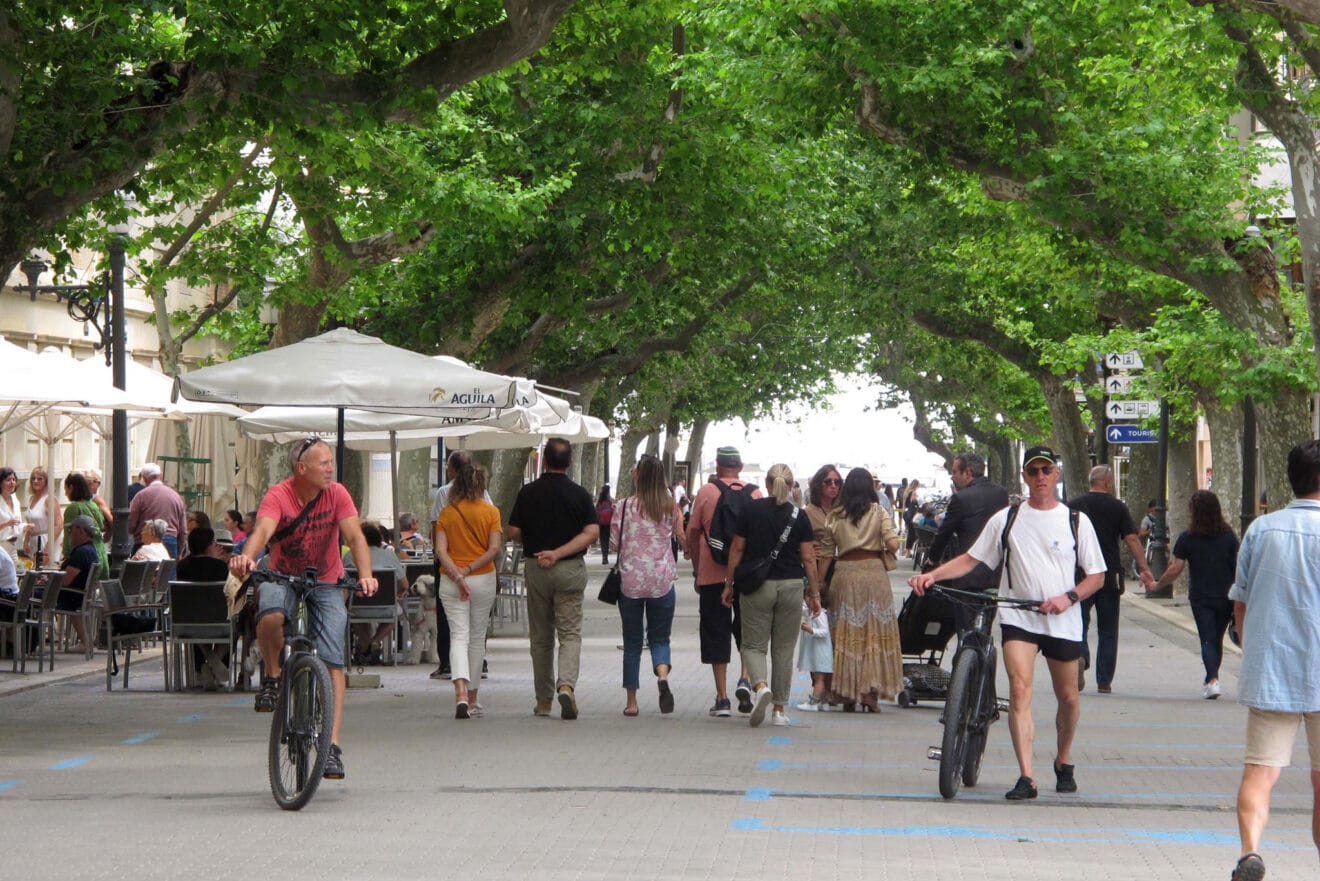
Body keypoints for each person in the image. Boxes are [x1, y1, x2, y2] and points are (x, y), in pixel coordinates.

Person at [910, 445, 1106, 800]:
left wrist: (1068, 598)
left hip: (1063, 620)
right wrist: (933, 576)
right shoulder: (1008, 519)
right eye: (1034, 472)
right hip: (1019, 615)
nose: (1041, 477)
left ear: (1057, 474)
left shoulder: (1076, 521)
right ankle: (1027, 776)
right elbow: (971, 559)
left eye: (1047, 470)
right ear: (1024, 477)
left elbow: (1097, 576)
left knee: (1069, 698)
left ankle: (1063, 759)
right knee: (1019, 689)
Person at [229, 437, 378, 781]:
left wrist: (366, 575)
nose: (330, 468)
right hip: (282, 574)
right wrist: (247, 558)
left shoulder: (337, 494)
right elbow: (263, 530)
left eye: (331, 462)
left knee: (332, 659)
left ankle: (332, 748)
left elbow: (355, 538)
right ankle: (272, 675)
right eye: (323, 463)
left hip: (326, 579)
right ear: (301, 468)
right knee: (270, 615)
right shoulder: (278, 495)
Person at [1227, 439, 1320, 881]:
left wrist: (1254, 649)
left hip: (1271, 670)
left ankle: (1251, 852)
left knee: (1260, 772)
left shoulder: (1261, 530)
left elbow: (1240, 603)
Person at [507, 437, 599, 720]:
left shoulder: (528, 493)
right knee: (570, 633)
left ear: (544, 460)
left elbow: (512, 531)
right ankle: (567, 685)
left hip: (536, 567)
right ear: (570, 462)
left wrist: (539, 545)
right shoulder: (580, 494)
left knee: (541, 636)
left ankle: (543, 699)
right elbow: (592, 532)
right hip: (569, 568)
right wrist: (559, 553)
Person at [724, 463, 821, 727]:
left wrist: (728, 583)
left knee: (753, 645)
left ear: (767, 484)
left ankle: (761, 686)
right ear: (791, 487)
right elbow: (809, 558)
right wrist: (814, 594)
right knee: (783, 649)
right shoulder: (799, 516)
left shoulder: (750, 510)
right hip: (791, 586)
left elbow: (736, 548)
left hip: (758, 586)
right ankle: (779, 710)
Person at [1067, 465, 1156, 693]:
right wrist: (1144, 569)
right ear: (1107, 483)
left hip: (1080, 574)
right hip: (1109, 574)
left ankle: (1080, 656)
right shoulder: (1118, 507)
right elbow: (1133, 541)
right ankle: (1104, 681)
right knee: (1108, 629)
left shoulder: (1074, 505)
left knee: (1078, 622)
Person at [686, 446, 761, 717]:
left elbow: (692, 533)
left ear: (717, 467)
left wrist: (697, 569)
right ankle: (744, 678)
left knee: (715, 631)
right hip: (745, 574)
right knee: (747, 630)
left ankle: (722, 698)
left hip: (711, 573)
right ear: (740, 467)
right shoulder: (755, 493)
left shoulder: (707, 492)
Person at [820, 467, 902, 712]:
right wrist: (886, 545)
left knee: (846, 632)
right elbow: (894, 544)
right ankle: (869, 694)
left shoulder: (835, 515)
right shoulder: (879, 512)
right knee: (872, 633)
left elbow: (825, 554)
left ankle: (846, 693)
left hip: (844, 575)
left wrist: (816, 587)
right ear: (870, 488)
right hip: (874, 575)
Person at [611, 454, 683, 717]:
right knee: (660, 638)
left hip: (630, 580)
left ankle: (632, 703)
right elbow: (677, 537)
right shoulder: (670, 506)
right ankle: (662, 678)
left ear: (638, 475)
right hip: (661, 580)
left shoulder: (625, 505)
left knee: (632, 642)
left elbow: (614, 545)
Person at [1149, 490, 1238, 699]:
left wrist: (1158, 584)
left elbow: (1176, 568)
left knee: (1207, 639)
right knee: (1216, 638)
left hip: (1201, 596)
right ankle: (1211, 679)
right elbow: (1237, 566)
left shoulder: (1188, 538)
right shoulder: (1228, 537)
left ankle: (1212, 680)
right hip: (1225, 595)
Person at [434, 463, 503, 719]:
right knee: (476, 638)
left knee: (458, 636)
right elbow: (494, 549)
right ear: (482, 484)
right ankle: (473, 698)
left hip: (451, 581)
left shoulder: (447, 513)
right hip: (483, 578)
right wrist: (470, 569)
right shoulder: (491, 512)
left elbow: (441, 551)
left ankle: (460, 693)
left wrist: (457, 575)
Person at [926, 452, 1010, 630]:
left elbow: (944, 534)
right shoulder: (1001, 494)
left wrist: (932, 560)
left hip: (967, 574)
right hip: (995, 573)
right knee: (985, 627)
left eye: (955, 471)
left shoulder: (960, 498)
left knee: (966, 629)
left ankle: (968, 651)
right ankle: (983, 650)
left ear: (968, 473)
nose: (952, 476)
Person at [429, 449, 493, 680]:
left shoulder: (444, 497)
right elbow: (494, 543)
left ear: (452, 470)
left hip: (450, 567)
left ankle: (450, 666)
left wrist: (441, 559)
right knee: (478, 623)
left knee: (450, 621)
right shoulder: (487, 501)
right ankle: (478, 666)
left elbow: (436, 529)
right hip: (481, 568)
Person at [346, 520, 407, 665]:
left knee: (353, 615)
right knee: (397, 613)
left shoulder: (349, 556)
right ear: (379, 539)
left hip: (357, 607)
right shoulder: (389, 556)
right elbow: (405, 584)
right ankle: (375, 642)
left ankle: (366, 643)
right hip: (386, 608)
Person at [58, 515, 101, 651]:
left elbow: (65, 580)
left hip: (70, 597)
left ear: (81, 531)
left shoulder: (81, 553)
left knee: (29, 597)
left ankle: (25, 641)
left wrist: (48, 581)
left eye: (71, 530)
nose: (69, 533)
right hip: (80, 596)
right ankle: (85, 642)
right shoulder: (91, 550)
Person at [128, 463, 186, 558]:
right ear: (161, 475)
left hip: (145, 543)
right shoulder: (176, 497)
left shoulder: (140, 496)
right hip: (171, 541)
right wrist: (179, 550)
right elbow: (183, 530)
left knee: (141, 572)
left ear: (144, 478)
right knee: (167, 572)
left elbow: (131, 524)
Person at [61, 472, 108, 582]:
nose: (65, 493)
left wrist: (68, 557)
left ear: (71, 487)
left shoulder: (73, 508)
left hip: (82, 559)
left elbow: (69, 535)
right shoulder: (93, 505)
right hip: (99, 553)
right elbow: (102, 525)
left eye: (66, 489)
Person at [795, 600, 832, 712]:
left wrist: (811, 630)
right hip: (817, 652)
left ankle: (814, 702)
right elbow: (802, 608)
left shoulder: (820, 614)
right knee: (819, 677)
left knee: (819, 678)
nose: (807, 601)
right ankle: (824, 701)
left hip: (821, 653)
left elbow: (824, 631)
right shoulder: (811, 612)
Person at [23, 467, 61, 566]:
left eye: (40, 479)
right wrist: (26, 541)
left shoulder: (49, 499)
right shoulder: (31, 498)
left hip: (45, 541)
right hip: (33, 542)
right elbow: (30, 523)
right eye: (33, 478)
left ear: (46, 481)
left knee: (44, 576)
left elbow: (59, 524)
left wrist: (47, 549)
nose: (36, 481)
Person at [0, 467, 29, 561]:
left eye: (13, 479)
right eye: (8, 480)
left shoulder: (15, 499)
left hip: (13, 545)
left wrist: (26, 526)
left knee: (16, 573)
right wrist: (7, 523)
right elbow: (10, 523)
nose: (12, 482)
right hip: (1, 545)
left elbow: (17, 524)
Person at [82, 468, 114, 535]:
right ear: (92, 483)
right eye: (98, 482)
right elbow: (111, 519)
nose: (99, 485)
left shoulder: (79, 500)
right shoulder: (97, 500)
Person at [900, 479, 922, 557]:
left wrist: (903, 515)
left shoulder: (906, 492)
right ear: (916, 485)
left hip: (907, 514)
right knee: (913, 533)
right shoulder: (913, 492)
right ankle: (908, 551)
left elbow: (904, 505)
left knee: (910, 533)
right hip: (913, 515)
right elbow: (914, 502)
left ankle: (907, 550)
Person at [595, 485, 615, 565]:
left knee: (603, 540)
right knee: (607, 539)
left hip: (601, 523)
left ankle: (604, 557)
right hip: (609, 522)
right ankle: (606, 555)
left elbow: (596, 511)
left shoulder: (600, 500)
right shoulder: (609, 501)